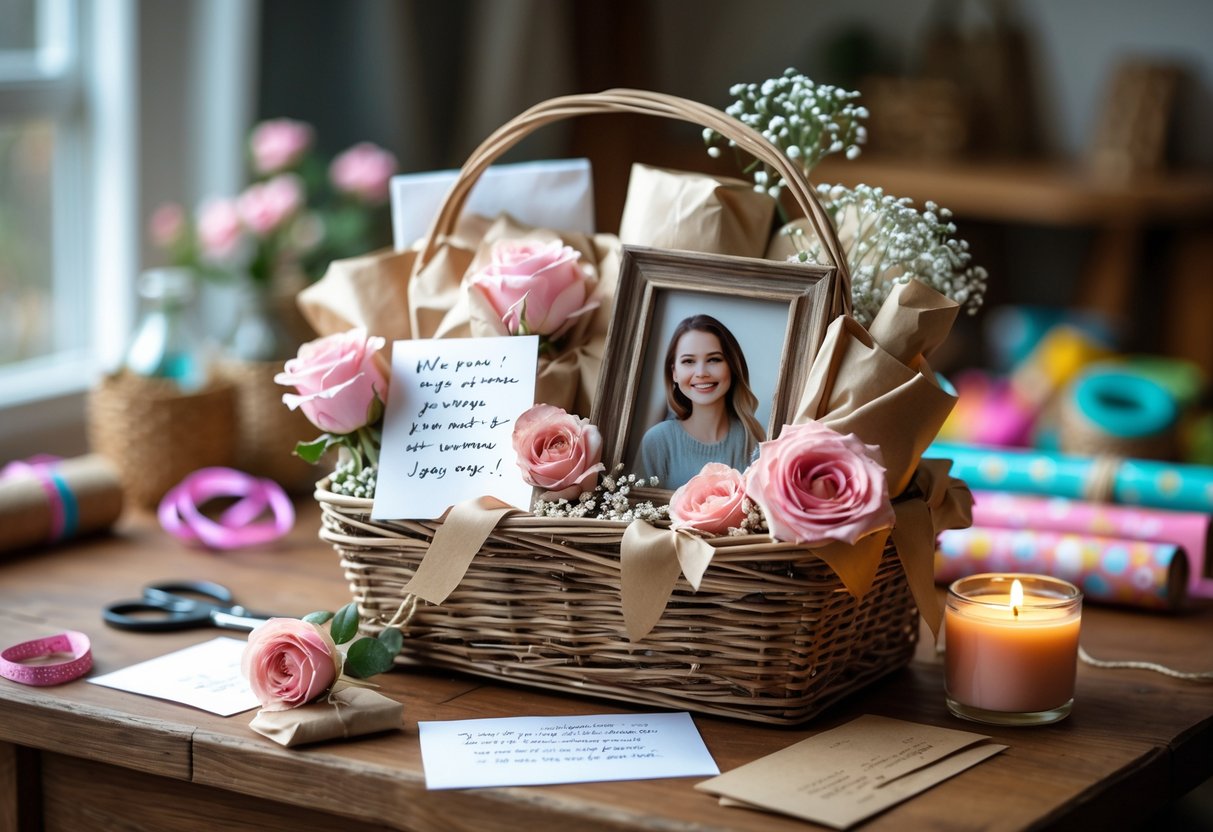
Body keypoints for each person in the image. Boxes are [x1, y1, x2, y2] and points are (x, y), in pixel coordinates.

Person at [636, 314, 765, 490]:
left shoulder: (753, 442)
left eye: (714, 359)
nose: (701, 372)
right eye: (688, 361)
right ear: (674, 372)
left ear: (732, 367)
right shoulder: (657, 441)